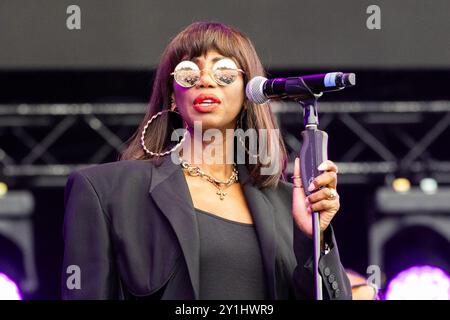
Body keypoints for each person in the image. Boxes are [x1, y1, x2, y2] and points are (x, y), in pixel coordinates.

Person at [61, 21, 352, 300]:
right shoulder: (107, 190)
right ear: (173, 95)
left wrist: (315, 237)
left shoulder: (287, 203)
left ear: (249, 92)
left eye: (224, 71)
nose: (206, 79)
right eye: (188, 72)